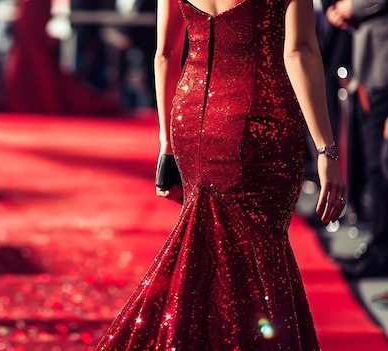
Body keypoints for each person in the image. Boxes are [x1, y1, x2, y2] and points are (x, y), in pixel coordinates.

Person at [96, 0, 346, 349]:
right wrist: (326, 149)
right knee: (259, 254)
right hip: (262, 120)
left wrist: (166, 145)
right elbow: (300, 51)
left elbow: (165, 55)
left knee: (207, 249)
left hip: (191, 118)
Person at [326, 0, 388, 278]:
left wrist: (354, 7)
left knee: (381, 166)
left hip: (383, 71)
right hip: (370, 67)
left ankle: (382, 253)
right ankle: (380, 249)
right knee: (375, 167)